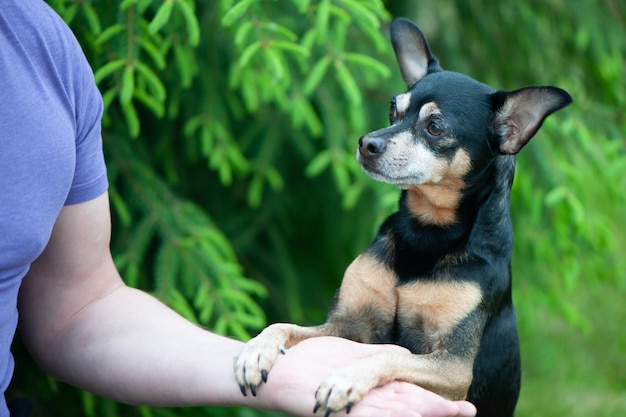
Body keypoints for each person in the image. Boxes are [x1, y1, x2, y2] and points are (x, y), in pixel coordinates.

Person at [0, 1, 477, 417]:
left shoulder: (44, 51)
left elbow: (80, 306)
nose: (378, 140)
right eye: (399, 114)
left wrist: (280, 373)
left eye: (433, 129)